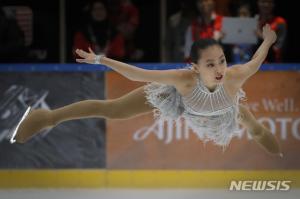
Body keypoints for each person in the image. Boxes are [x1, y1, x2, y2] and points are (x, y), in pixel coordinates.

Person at [11, 24, 282, 157]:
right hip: (179, 99)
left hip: (223, 111)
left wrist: (268, 39)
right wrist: (100, 59)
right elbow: (137, 74)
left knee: (254, 127)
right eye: (210, 64)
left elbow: (256, 59)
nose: (220, 68)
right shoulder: (183, 79)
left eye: (222, 60)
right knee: (113, 110)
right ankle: (45, 117)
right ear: (195, 67)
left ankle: (279, 154)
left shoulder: (235, 78)